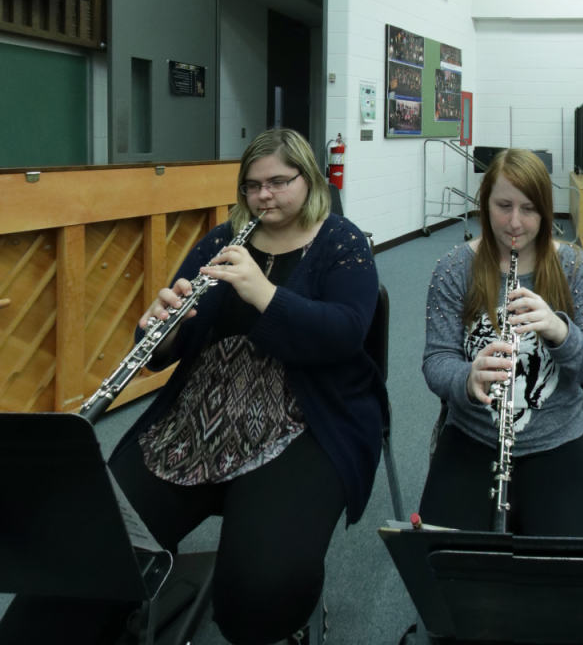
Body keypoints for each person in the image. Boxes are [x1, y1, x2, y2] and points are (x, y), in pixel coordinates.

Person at [0, 128, 385, 645]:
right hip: (197, 416)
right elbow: (170, 342)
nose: (263, 196)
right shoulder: (224, 239)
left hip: (304, 421)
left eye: (278, 182)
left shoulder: (342, 242)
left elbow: (346, 333)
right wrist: (162, 331)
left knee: (260, 593)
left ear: (309, 179)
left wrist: (265, 293)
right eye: (252, 186)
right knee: (89, 549)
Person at [419, 148, 583, 535]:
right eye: (503, 206)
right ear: (484, 203)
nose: (514, 222)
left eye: (529, 209)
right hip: (472, 433)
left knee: (581, 565)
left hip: (559, 437)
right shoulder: (454, 268)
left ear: (546, 211)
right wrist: (468, 378)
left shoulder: (574, 267)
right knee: (441, 560)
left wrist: (559, 331)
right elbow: (436, 362)